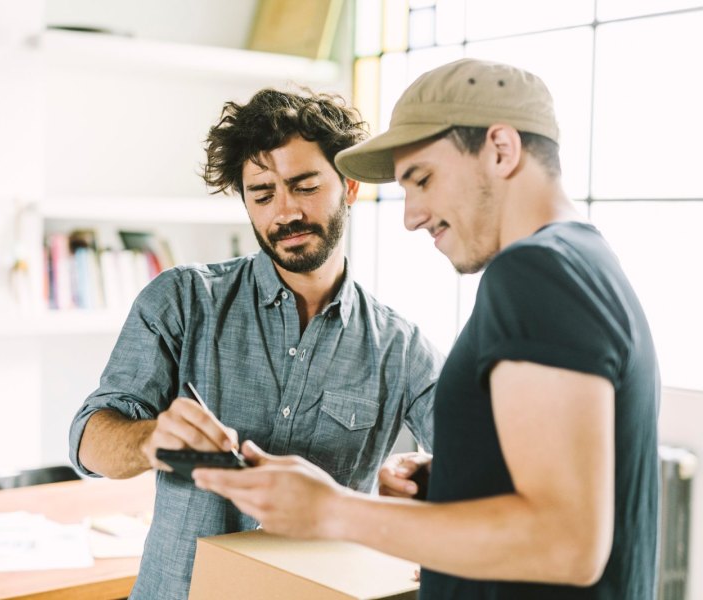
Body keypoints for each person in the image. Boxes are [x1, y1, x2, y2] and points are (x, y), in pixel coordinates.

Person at [194, 58, 660, 599]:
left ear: (501, 150)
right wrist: (463, 479)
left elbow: (564, 544)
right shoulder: (587, 259)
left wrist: (332, 510)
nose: (411, 215)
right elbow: (567, 488)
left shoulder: (535, 274)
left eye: (422, 179)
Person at [68, 88, 444, 599]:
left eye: (304, 186)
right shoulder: (183, 300)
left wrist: (427, 489)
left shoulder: (400, 346)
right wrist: (148, 439)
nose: (284, 213)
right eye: (263, 195)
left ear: (350, 186)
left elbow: (480, 467)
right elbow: (89, 441)